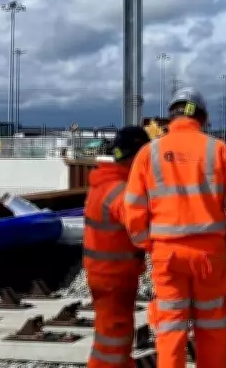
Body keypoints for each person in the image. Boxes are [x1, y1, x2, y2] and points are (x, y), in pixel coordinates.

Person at [123, 87, 226, 368]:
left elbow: (132, 209)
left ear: (171, 117)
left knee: (170, 329)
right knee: (212, 328)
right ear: (203, 118)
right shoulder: (217, 150)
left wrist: (148, 243)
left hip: (167, 255)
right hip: (210, 254)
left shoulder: (149, 153)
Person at [83, 126, 151, 368]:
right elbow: (139, 222)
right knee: (114, 335)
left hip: (108, 273)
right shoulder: (119, 190)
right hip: (113, 275)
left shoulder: (105, 182)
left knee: (112, 332)